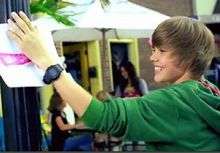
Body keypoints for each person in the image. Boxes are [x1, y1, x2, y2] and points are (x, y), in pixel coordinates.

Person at [7, 12, 220, 151]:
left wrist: (48, 63)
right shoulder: (207, 91)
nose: (153, 57)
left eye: (162, 51)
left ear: (190, 57)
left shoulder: (175, 101)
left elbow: (105, 117)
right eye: (153, 49)